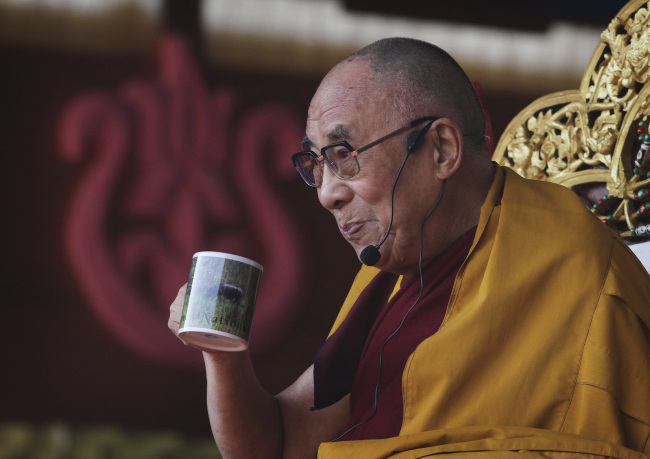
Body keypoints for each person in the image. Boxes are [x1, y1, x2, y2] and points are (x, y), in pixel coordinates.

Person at [168, 37, 650, 458]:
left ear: (440, 149)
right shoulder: (390, 274)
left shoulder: (576, 273)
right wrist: (223, 354)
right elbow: (279, 445)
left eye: (344, 156)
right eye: (316, 164)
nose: (326, 193)